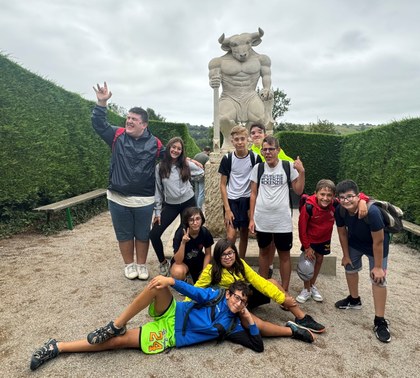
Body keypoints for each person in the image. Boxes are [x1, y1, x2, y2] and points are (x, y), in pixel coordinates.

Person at [29, 278, 263, 371]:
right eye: (236, 296)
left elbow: (257, 344)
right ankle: (116, 323)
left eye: (243, 301)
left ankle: (57, 346)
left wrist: (249, 319)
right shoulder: (215, 295)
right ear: (229, 293)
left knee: (118, 343)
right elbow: (194, 292)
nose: (238, 302)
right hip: (173, 311)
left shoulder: (233, 326)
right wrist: (171, 280)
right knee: (158, 286)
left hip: (168, 335)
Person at [91, 82, 164, 280]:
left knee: (142, 234)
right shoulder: (116, 135)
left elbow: (170, 158)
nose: (129, 121)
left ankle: (141, 265)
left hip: (144, 199)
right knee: (123, 234)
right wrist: (101, 103)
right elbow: (98, 124)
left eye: (134, 119)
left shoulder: (155, 143)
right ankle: (129, 265)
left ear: (144, 124)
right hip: (117, 197)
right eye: (128, 117)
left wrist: (188, 159)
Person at [194, 238, 325, 342]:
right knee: (255, 325)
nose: (228, 257)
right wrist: (186, 310)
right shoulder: (211, 271)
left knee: (271, 282)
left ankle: (301, 317)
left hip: (245, 298)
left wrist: (282, 298)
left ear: (235, 253)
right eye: (223, 255)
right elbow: (195, 290)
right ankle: (292, 331)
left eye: (230, 253)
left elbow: (259, 281)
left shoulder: (240, 264)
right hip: (231, 307)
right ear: (217, 257)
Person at [334, 180, 391, 343]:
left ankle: (380, 321)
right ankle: (354, 299)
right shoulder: (340, 210)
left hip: (377, 246)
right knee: (349, 267)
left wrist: (378, 267)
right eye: (342, 197)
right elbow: (342, 234)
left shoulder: (372, 212)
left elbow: (378, 241)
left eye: (350, 196)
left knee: (378, 279)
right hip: (356, 243)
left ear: (358, 196)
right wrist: (345, 255)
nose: (346, 200)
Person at [296, 179, 369, 303]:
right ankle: (306, 289)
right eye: (322, 194)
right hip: (310, 240)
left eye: (329, 195)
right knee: (308, 264)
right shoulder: (308, 206)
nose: (325, 198)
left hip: (324, 239)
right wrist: (307, 246)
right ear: (316, 193)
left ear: (334, 196)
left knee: (319, 261)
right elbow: (301, 228)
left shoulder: (335, 204)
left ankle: (312, 285)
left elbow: (358, 195)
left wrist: (362, 201)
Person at [249, 136, 305, 292]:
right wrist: (251, 218)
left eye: (271, 149)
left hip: (282, 220)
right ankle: (264, 288)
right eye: (265, 149)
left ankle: (284, 291)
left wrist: (302, 172)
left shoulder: (287, 167)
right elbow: (253, 193)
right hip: (262, 218)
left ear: (278, 150)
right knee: (263, 252)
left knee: (284, 255)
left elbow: (299, 190)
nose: (268, 152)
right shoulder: (258, 168)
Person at [209, 28, 274, 149]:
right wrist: (213, 82)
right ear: (228, 47)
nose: (242, 52)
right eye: (235, 46)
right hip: (229, 96)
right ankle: (229, 142)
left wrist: (266, 88)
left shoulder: (262, 59)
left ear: (253, 43)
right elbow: (213, 80)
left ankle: (250, 143)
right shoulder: (218, 62)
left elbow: (266, 76)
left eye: (247, 44)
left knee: (260, 119)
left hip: (250, 95)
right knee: (223, 118)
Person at [150, 137, 204, 276]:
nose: (175, 150)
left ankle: (186, 264)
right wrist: (157, 212)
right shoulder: (160, 167)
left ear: (182, 151)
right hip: (171, 204)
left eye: (179, 148)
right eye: (173, 147)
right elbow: (157, 190)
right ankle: (163, 263)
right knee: (154, 234)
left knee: (183, 233)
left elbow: (201, 171)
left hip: (188, 201)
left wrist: (191, 161)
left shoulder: (185, 164)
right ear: (168, 148)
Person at [249, 122, 293, 277]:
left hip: (279, 212)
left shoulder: (280, 157)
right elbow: (253, 191)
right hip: (263, 207)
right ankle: (266, 271)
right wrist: (252, 217)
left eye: (258, 132)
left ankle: (273, 272)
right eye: (253, 133)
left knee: (279, 248)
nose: (256, 135)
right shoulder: (252, 154)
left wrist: (299, 170)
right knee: (265, 246)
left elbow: (288, 163)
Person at [218, 125, 262, 258]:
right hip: (231, 200)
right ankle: (229, 261)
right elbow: (222, 185)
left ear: (248, 139)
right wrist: (227, 209)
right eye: (236, 139)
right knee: (231, 236)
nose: (240, 142)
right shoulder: (227, 159)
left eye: (242, 139)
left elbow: (257, 185)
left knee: (244, 234)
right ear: (232, 141)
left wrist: (252, 209)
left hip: (247, 200)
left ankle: (240, 262)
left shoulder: (255, 158)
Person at [171, 207, 214, 283]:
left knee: (214, 268)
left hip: (198, 259)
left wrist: (204, 272)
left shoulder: (204, 232)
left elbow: (208, 254)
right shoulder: (180, 233)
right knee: (177, 272)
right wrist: (183, 243)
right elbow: (178, 260)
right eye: (191, 220)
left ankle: (197, 276)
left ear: (202, 220)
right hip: (183, 262)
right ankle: (184, 280)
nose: (195, 222)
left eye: (198, 219)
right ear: (187, 221)